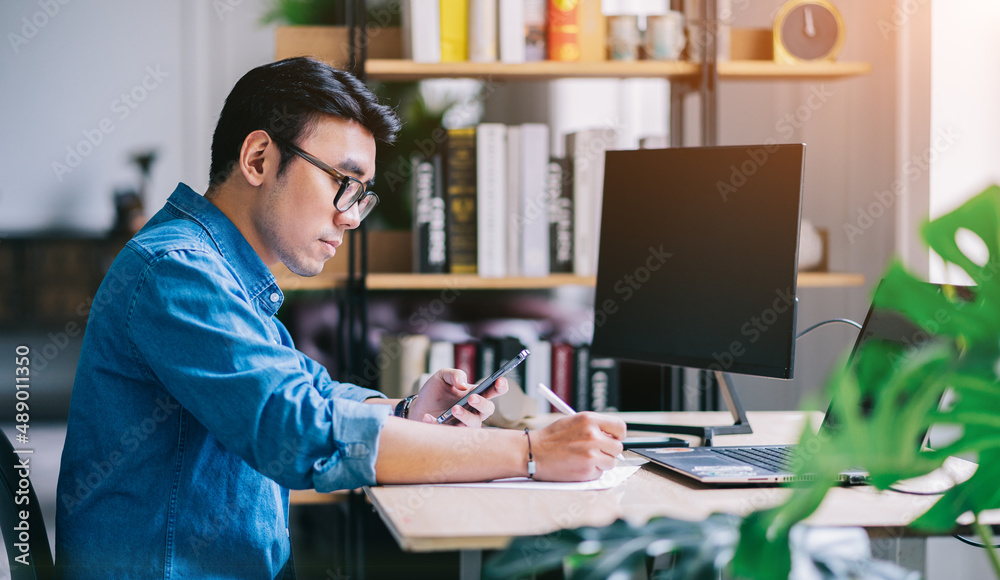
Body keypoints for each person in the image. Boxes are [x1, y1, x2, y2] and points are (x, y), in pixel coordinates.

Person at [54, 57, 626, 578]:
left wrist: (407, 410)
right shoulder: (178, 270)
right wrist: (530, 454)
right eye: (343, 183)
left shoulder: (220, 272)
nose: (352, 218)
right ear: (258, 158)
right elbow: (298, 430)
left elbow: (310, 393)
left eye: (363, 195)